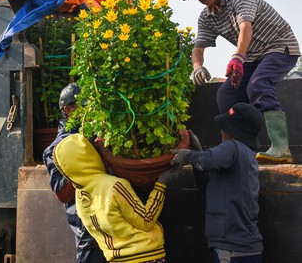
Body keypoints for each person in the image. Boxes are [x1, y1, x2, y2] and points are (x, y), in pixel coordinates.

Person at [180, 0, 300, 163]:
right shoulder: (207, 16)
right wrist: (197, 67)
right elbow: (198, 48)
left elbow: (245, 27)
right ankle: (233, 150)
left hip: (280, 46)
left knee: (259, 84)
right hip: (252, 56)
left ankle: (281, 147)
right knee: (226, 94)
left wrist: (237, 57)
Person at [51, 125, 180, 262]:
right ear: (88, 155)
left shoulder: (80, 196)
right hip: (146, 256)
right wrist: (161, 184)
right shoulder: (114, 185)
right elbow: (146, 220)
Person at [171, 102, 264, 263]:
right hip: (243, 249)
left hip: (232, 250)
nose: (221, 131)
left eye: (225, 127)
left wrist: (188, 155)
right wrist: (198, 151)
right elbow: (208, 189)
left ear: (234, 133)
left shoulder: (233, 147)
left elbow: (208, 161)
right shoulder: (246, 156)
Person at [43, 83, 107, 263]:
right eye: (85, 108)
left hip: (115, 225)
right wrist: (83, 167)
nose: (91, 113)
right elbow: (62, 193)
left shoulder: (99, 137)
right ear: (69, 110)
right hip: (89, 234)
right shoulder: (57, 148)